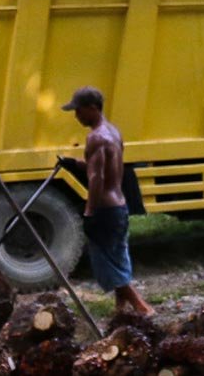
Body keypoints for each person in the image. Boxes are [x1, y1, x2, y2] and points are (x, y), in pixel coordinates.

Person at [61, 86, 154, 316]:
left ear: (92, 108)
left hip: (104, 208)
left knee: (107, 263)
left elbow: (97, 177)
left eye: (79, 110)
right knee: (118, 256)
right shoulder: (113, 132)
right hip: (119, 205)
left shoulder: (95, 137)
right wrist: (74, 164)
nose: (77, 116)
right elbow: (106, 167)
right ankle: (121, 311)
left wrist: (90, 212)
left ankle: (142, 308)